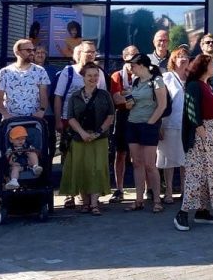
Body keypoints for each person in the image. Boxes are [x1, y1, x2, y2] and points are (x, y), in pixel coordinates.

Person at [174, 53, 213, 230]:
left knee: (209, 172)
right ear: (204, 67)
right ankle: (182, 213)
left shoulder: (208, 85)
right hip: (202, 134)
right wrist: (203, 133)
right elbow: (191, 110)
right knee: (196, 174)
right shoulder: (194, 86)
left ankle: (202, 211)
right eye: (212, 64)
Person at [58, 62, 115, 215]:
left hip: (99, 138)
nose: (93, 78)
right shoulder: (75, 96)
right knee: (82, 169)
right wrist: (82, 133)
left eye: (96, 75)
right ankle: (85, 202)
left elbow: (110, 116)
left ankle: (95, 203)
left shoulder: (104, 95)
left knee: (96, 169)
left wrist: (98, 132)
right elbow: (70, 117)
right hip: (79, 138)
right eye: (89, 75)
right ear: (83, 77)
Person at [124, 53, 168, 213]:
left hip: (149, 125)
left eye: (133, 65)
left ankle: (157, 200)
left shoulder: (156, 81)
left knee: (150, 164)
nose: (130, 68)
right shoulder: (135, 82)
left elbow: (162, 105)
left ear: (141, 65)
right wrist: (127, 103)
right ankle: (138, 199)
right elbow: (133, 103)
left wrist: (151, 124)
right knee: (136, 163)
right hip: (133, 124)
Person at [158, 47, 190, 205]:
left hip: (188, 125)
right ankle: (169, 191)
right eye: (179, 56)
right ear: (173, 60)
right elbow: (159, 102)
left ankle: (185, 191)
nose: (183, 58)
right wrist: (159, 125)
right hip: (169, 123)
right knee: (168, 160)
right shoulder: (166, 77)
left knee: (185, 160)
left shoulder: (192, 78)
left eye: (186, 56)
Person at [107, 45, 138, 204]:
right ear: (124, 57)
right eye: (130, 56)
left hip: (140, 117)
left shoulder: (144, 74)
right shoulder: (117, 75)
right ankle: (119, 189)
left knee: (139, 155)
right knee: (121, 154)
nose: (133, 60)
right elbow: (117, 99)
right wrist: (135, 100)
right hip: (123, 117)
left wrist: (127, 98)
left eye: (136, 56)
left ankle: (144, 190)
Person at [0, 39, 50, 123]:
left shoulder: (40, 71)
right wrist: (5, 114)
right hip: (11, 121)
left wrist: (41, 111)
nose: (32, 53)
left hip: (33, 120)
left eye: (33, 50)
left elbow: (44, 95)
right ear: (17, 52)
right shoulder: (5, 72)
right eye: (28, 50)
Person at [4, 125, 42, 190]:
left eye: (23, 138)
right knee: (14, 169)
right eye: (17, 139)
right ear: (11, 140)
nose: (20, 141)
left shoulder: (27, 146)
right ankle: (14, 181)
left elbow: (36, 153)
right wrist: (12, 163)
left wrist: (30, 154)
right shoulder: (10, 149)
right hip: (18, 166)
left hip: (29, 164)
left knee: (32, 153)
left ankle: (36, 166)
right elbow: (8, 160)